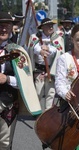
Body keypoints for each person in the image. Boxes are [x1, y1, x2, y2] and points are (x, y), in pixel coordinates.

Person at [0, 11, 42, 150]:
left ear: (12, 27)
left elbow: (26, 83)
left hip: (7, 104)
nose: (3, 29)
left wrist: (6, 79)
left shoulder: (17, 52)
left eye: (7, 25)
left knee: (5, 144)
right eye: (0, 25)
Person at [28, 18, 64, 111]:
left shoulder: (58, 38)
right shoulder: (35, 37)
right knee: (38, 92)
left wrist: (48, 48)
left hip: (52, 70)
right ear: (42, 27)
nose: (51, 27)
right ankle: (39, 114)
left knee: (51, 93)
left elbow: (59, 51)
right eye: (48, 25)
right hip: (39, 70)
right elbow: (31, 49)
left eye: (52, 25)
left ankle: (48, 113)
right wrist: (40, 50)